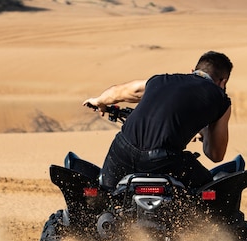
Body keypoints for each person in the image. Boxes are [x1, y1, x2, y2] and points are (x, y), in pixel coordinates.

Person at [83, 51, 233, 190]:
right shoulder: (221, 100)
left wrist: (99, 101)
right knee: (207, 191)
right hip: (163, 161)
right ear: (223, 82)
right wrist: (205, 133)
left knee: (103, 192)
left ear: (192, 71)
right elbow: (215, 155)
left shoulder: (160, 80)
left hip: (122, 150)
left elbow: (120, 91)